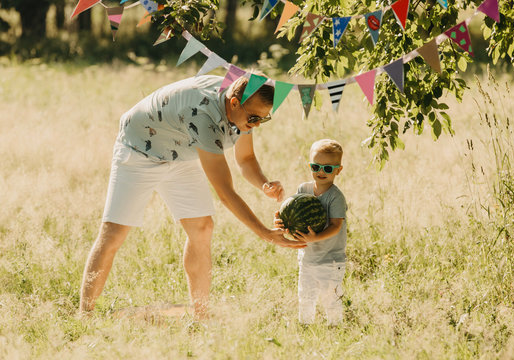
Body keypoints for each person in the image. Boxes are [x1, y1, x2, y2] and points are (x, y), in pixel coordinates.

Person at [79, 74, 306, 319]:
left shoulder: (243, 109)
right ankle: (85, 315)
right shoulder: (203, 115)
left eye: (264, 118)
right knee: (114, 233)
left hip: (181, 152)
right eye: (254, 118)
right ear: (233, 103)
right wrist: (265, 234)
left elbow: (246, 159)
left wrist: (263, 183)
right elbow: (225, 194)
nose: (257, 124)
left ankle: (201, 316)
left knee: (202, 227)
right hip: (139, 149)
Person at [274, 139, 347, 325]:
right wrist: (283, 223)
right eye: (316, 166)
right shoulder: (303, 189)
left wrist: (316, 237)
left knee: (331, 297)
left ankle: (335, 326)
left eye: (328, 168)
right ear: (310, 166)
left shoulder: (335, 197)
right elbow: (295, 216)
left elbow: (336, 225)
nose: (321, 172)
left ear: (338, 170)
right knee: (305, 295)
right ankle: (305, 325)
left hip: (330, 260)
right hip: (307, 258)